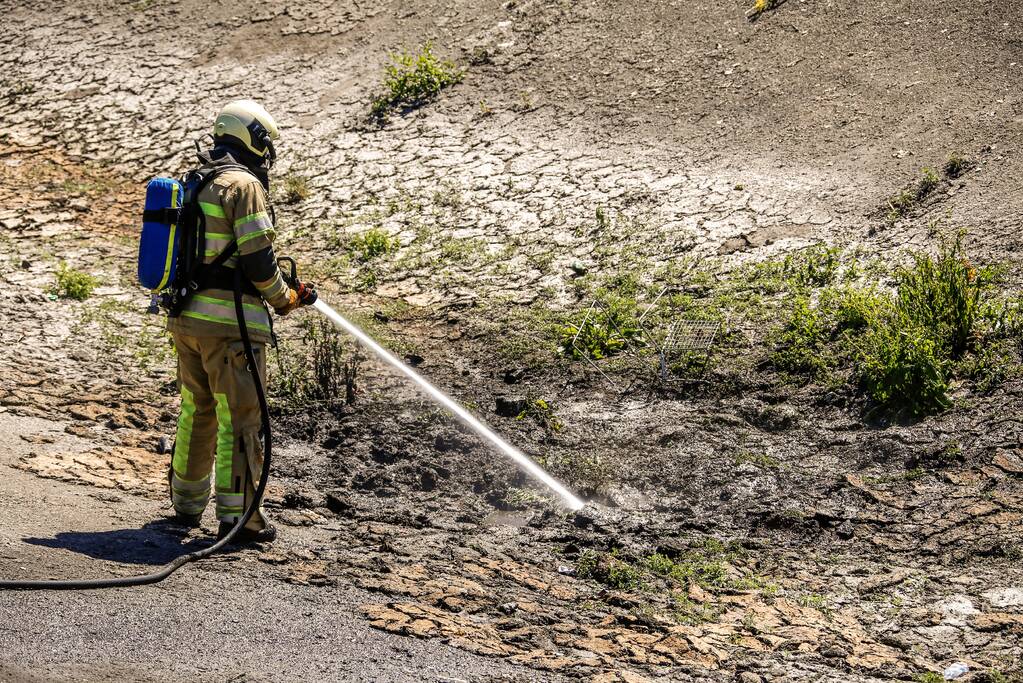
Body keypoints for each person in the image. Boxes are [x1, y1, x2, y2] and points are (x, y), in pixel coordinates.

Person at [166, 100, 313, 544]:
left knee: (198, 410)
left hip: (187, 321)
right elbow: (257, 259)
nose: (267, 155)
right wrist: (285, 297)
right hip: (231, 329)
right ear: (252, 139)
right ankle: (240, 517)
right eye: (265, 144)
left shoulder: (196, 181)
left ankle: (187, 504)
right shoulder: (242, 184)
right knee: (242, 418)